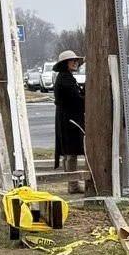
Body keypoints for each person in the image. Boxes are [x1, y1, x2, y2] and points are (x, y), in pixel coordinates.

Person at [52, 50, 86, 191]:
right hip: (69, 119)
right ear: (65, 64)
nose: (75, 63)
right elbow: (77, 99)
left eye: (76, 61)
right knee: (70, 152)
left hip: (65, 118)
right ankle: (73, 184)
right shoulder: (66, 79)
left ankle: (72, 184)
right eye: (72, 61)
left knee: (68, 152)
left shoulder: (65, 77)